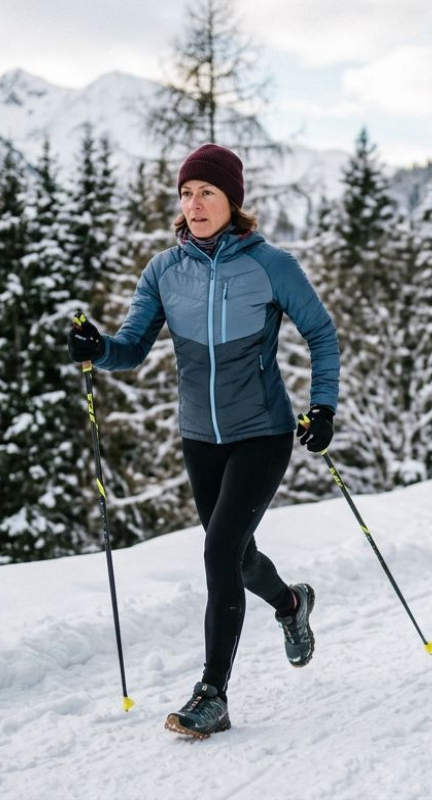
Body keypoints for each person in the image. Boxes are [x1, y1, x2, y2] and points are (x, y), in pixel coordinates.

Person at [67, 143, 340, 739]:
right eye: (187, 194)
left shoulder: (271, 266)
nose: (194, 204)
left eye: (207, 193)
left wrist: (323, 407)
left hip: (263, 432)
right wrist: (99, 350)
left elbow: (321, 333)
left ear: (232, 201)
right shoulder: (164, 270)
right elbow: (133, 346)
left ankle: (212, 693)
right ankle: (291, 604)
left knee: (219, 552)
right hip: (201, 437)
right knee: (237, 556)